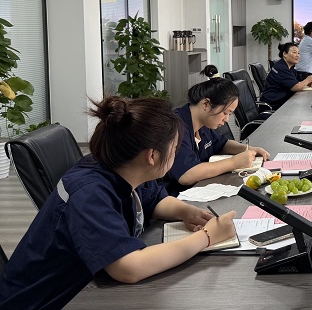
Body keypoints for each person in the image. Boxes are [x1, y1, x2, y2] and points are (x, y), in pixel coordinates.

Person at [0, 97, 237, 309]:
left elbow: (154, 199)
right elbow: (128, 268)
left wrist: (187, 212)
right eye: (174, 148)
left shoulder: (122, 165)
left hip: (83, 288)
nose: (176, 153)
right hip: (44, 302)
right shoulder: (89, 192)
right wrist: (206, 237)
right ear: (152, 156)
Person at [161, 78, 270, 196]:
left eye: (230, 114)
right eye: (225, 113)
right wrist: (234, 162)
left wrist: (249, 149)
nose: (227, 119)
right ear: (206, 104)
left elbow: (222, 144)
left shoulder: (204, 122)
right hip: (175, 197)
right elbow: (187, 175)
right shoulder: (175, 127)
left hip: (201, 189)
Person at [261, 42, 312, 109]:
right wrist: (308, 80)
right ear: (285, 54)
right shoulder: (281, 68)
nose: (297, 55)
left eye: (298, 53)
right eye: (294, 52)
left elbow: (299, 78)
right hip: (274, 106)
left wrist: (310, 83)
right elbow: (296, 87)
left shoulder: (289, 67)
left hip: (283, 103)